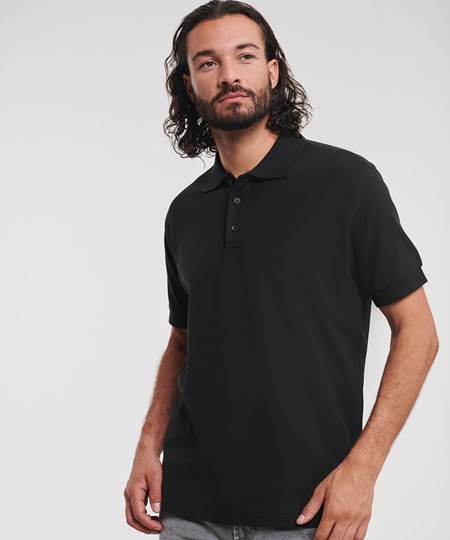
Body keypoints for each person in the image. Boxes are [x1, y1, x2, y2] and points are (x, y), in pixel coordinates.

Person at [124, 1, 439, 538]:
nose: (229, 74)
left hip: (308, 510)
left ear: (272, 71)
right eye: (207, 62)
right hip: (190, 507)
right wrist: (147, 447)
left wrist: (363, 468)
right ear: (189, 86)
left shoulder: (347, 183)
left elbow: (419, 331)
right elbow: (183, 341)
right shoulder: (186, 211)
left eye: (245, 56)